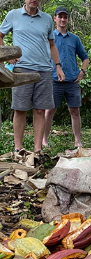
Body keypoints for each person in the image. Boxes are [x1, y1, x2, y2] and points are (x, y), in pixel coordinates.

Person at [0, 0, 65, 153]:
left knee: (40, 110)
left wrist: (58, 66)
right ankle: (18, 149)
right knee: (20, 109)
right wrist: (7, 53)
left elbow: (51, 44)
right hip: (22, 69)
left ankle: (37, 149)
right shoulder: (13, 15)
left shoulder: (47, 18)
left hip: (44, 69)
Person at [42, 7, 89, 148]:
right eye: (60, 17)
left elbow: (85, 58)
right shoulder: (49, 37)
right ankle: (44, 140)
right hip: (54, 80)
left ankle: (77, 141)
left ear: (68, 19)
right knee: (50, 111)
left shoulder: (75, 39)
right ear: (55, 18)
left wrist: (82, 71)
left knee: (75, 111)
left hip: (72, 81)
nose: (63, 19)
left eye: (65, 17)